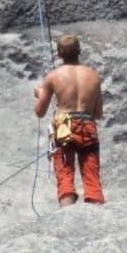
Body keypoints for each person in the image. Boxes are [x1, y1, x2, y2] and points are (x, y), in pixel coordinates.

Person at [34, 34, 105, 206]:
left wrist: (40, 94)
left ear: (59, 53)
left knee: (65, 175)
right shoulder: (94, 76)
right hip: (87, 125)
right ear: (80, 51)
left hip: (64, 125)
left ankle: (67, 218)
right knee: (92, 178)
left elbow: (40, 112)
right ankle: (98, 220)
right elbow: (98, 112)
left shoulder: (53, 76)